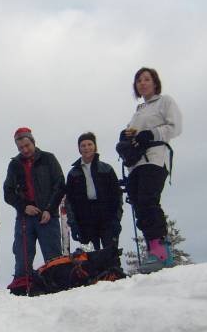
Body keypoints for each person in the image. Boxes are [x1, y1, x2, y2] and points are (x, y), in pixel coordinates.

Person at [119, 67, 183, 267]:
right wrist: (125, 137)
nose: (142, 83)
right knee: (139, 204)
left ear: (155, 82)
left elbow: (175, 127)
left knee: (148, 200)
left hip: (155, 157)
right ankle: (152, 251)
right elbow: (134, 133)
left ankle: (161, 252)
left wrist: (152, 133)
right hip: (136, 162)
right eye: (139, 80)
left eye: (147, 79)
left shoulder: (165, 102)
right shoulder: (139, 111)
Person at [3, 127, 66, 285]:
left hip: (47, 217)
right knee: (22, 258)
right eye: (20, 148)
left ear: (33, 142)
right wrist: (24, 207)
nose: (25, 150)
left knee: (54, 259)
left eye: (27, 145)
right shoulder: (14, 164)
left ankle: (58, 286)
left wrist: (50, 209)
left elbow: (60, 185)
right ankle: (22, 287)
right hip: (24, 218)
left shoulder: (48, 159)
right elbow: (8, 193)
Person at [65, 132, 123, 252]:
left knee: (111, 253)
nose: (86, 148)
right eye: (83, 145)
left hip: (107, 216)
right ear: (79, 149)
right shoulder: (73, 173)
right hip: (85, 220)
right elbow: (69, 201)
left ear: (95, 146)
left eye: (89, 144)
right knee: (90, 256)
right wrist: (73, 224)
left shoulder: (106, 169)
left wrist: (116, 219)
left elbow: (117, 195)